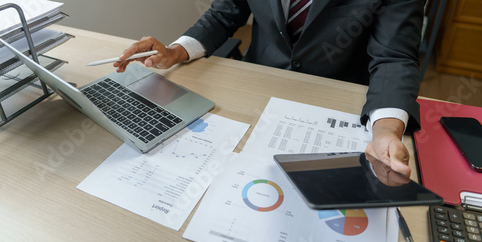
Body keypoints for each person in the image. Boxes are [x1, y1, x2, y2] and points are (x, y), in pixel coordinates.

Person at [114, 0, 425, 179]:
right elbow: (224, 14)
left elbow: (394, 56)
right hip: (258, 92)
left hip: (337, 99)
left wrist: (385, 130)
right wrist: (175, 52)